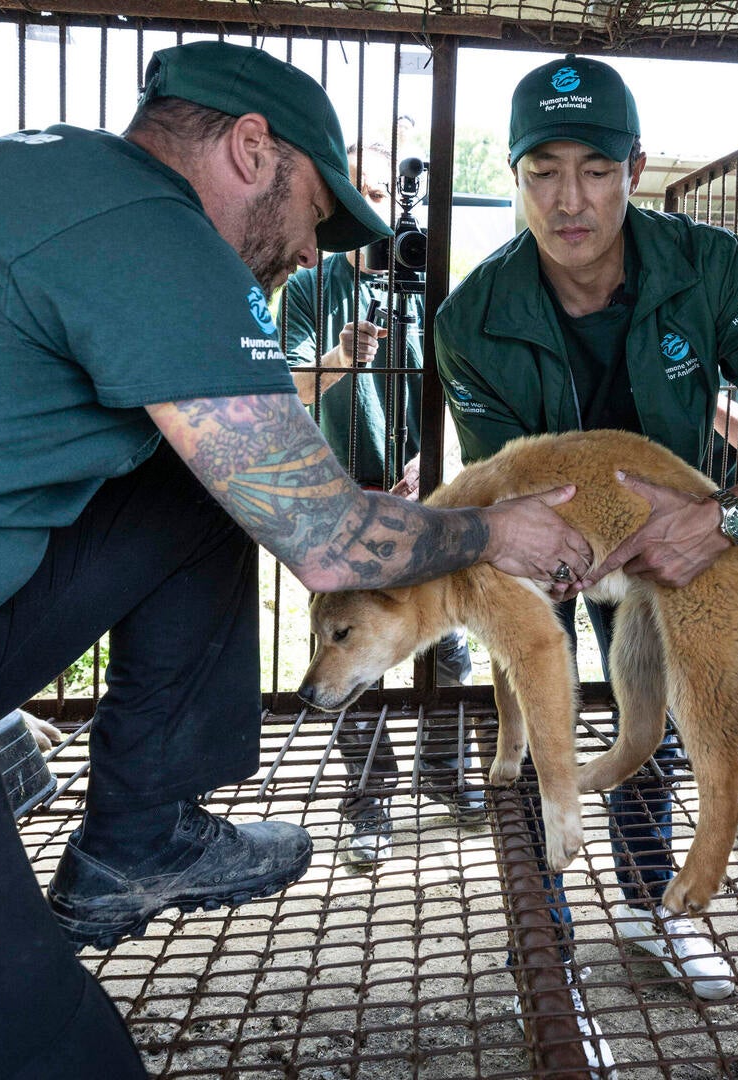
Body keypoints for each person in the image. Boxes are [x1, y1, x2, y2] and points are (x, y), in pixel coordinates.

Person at [0, 41, 592, 1078]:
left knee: (200, 485)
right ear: (254, 149)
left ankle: (138, 835)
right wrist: (490, 531)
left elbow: (262, 484)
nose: (310, 253)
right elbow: (327, 540)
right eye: (315, 218)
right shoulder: (158, 236)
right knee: (31, 1049)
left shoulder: (44, 179)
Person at [432, 53, 738, 1048]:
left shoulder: (704, 268)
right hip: (557, 536)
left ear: (633, 168)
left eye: (594, 167)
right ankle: (544, 952)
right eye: (541, 169)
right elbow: (498, 478)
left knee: (659, 727)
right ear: (514, 176)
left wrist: (725, 517)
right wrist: (538, 561)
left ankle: (650, 908)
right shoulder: (470, 319)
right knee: (539, 715)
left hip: (685, 534)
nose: (569, 198)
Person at [281, 144, 484, 870]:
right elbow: (285, 393)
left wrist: (440, 460)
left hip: (425, 504)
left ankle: (444, 770)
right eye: (361, 193)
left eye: (392, 196)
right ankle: (369, 803)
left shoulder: (439, 285)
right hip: (339, 510)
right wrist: (341, 360)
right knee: (347, 645)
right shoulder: (312, 284)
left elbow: (471, 398)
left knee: (448, 647)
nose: (380, 213)